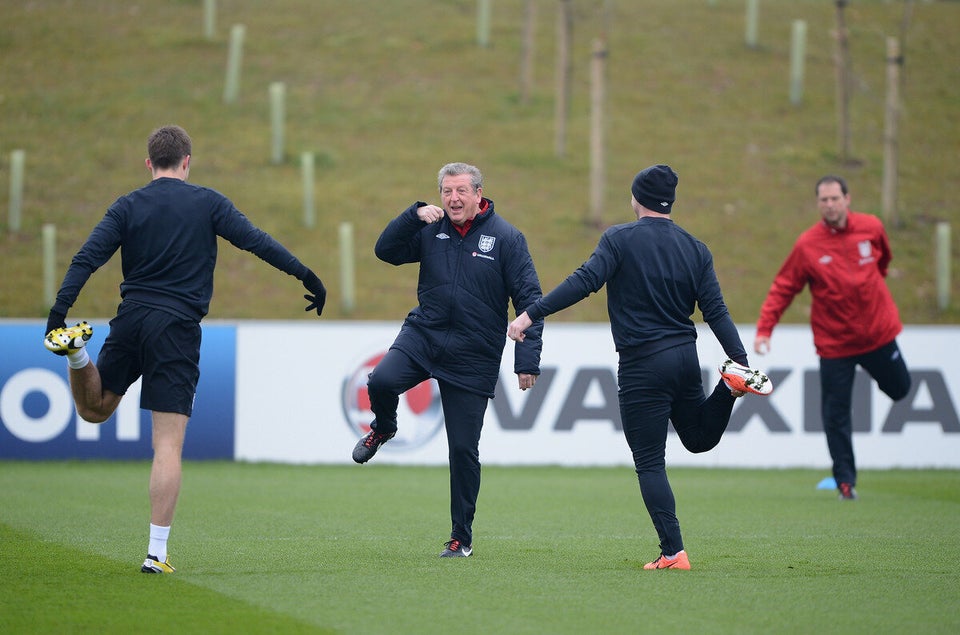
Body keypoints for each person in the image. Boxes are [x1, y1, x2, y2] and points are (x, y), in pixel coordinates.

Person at [42, 125, 327, 573]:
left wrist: (59, 312)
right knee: (168, 445)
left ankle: (77, 354)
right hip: (176, 328)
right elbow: (257, 242)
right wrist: (306, 275)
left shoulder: (127, 205)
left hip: (131, 319)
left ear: (149, 163)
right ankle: (156, 552)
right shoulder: (208, 202)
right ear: (187, 161)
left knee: (94, 409)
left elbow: (87, 256)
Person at [507, 164, 772, 571]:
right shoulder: (696, 248)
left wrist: (530, 314)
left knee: (650, 461)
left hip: (642, 365)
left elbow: (583, 282)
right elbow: (715, 311)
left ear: (636, 198)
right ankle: (729, 385)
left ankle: (673, 552)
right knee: (699, 439)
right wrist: (743, 361)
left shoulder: (619, 238)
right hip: (685, 358)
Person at [352, 162, 543, 558]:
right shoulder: (428, 228)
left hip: (474, 354)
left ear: (478, 194)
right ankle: (383, 428)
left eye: (460, 191)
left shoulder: (507, 238)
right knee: (381, 381)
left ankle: (461, 538)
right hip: (424, 335)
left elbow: (530, 300)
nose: (453, 199)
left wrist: (527, 357)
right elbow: (384, 251)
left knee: (462, 451)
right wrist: (412, 214)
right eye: (446, 192)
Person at [753, 175, 911, 501]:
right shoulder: (807, 245)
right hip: (835, 344)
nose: (829, 205)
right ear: (818, 204)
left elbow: (884, 261)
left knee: (901, 388)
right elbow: (784, 287)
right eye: (823, 200)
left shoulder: (871, 228)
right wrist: (765, 329)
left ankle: (845, 479)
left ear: (847, 199)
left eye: (834, 198)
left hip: (878, 333)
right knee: (835, 413)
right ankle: (845, 483)